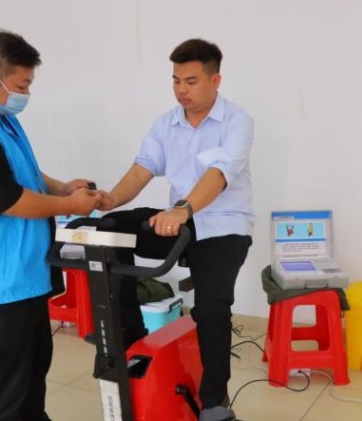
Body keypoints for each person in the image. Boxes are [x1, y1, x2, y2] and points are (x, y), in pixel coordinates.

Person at [0, 30, 101, 421]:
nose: (25, 93)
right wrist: (70, 204)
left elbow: (20, 172)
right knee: (7, 388)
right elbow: (6, 199)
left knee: (33, 367)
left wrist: (62, 187)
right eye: (22, 85)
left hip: (21, 273)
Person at [97, 38, 254, 421]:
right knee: (111, 228)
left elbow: (218, 176)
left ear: (215, 80)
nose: (182, 89)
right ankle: (132, 333)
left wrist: (182, 210)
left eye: (191, 81)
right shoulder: (166, 123)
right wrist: (111, 199)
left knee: (212, 308)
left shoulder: (237, 121)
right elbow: (143, 168)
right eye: (176, 81)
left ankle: (215, 402)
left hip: (223, 226)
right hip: (178, 222)